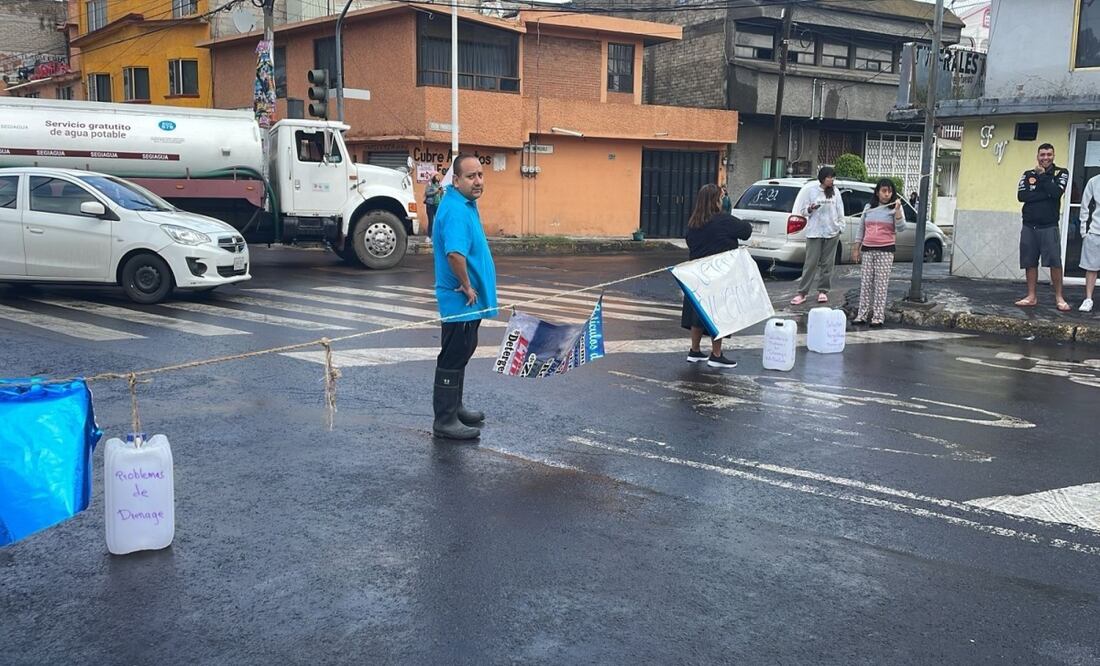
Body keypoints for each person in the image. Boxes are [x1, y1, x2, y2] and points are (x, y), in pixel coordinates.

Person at [431, 154, 498, 440]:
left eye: (480, 175)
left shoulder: (463, 203)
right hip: (461, 299)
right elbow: (455, 254)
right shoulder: (457, 210)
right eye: (471, 176)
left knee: (463, 351)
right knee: (453, 355)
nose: (478, 181)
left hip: (467, 301)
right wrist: (467, 286)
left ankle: (455, 408)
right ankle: (445, 420)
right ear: (456, 180)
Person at [682, 183, 753, 369]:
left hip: (696, 274)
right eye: (721, 198)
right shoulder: (723, 220)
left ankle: (695, 350)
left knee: (697, 313)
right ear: (715, 201)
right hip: (719, 276)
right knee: (718, 314)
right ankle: (716, 354)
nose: (723, 201)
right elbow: (746, 231)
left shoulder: (693, 223)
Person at [1015, 143, 1071, 311]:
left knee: (1055, 262)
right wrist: (1046, 193)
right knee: (1029, 262)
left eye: (1049, 154)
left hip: (1049, 226)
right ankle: (1031, 296)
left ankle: (1059, 298)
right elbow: (1022, 196)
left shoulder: (1061, 173)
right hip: (1029, 226)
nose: (1045, 157)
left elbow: (1056, 193)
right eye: (1042, 155)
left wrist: (1043, 178)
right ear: (1037, 156)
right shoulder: (1028, 174)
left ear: (1053, 156)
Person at [852, 178, 907, 327]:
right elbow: (861, 229)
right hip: (868, 249)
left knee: (881, 285)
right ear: (877, 192)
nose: (886, 194)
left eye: (889, 191)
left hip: (885, 250)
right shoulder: (869, 207)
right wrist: (856, 248)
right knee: (865, 283)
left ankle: (877, 317)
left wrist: (897, 212)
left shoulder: (894, 208)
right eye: (884, 191)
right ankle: (861, 315)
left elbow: (901, 228)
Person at [789, 166, 845, 305]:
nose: (831, 180)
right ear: (822, 178)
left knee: (827, 264)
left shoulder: (835, 192)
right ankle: (802, 292)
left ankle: (823, 291)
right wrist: (811, 208)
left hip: (831, 232)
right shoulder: (812, 191)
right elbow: (803, 211)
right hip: (815, 232)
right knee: (811, 263)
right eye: (829, 177)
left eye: (833, 177)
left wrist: (840, 227)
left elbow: (840, 210)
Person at [1078, 172, 1100, 312]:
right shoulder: (1094, 182)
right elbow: (1084, 206)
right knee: (1091, 268)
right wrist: (1083, 231)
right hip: (1095, 231)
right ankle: (1088, 299)